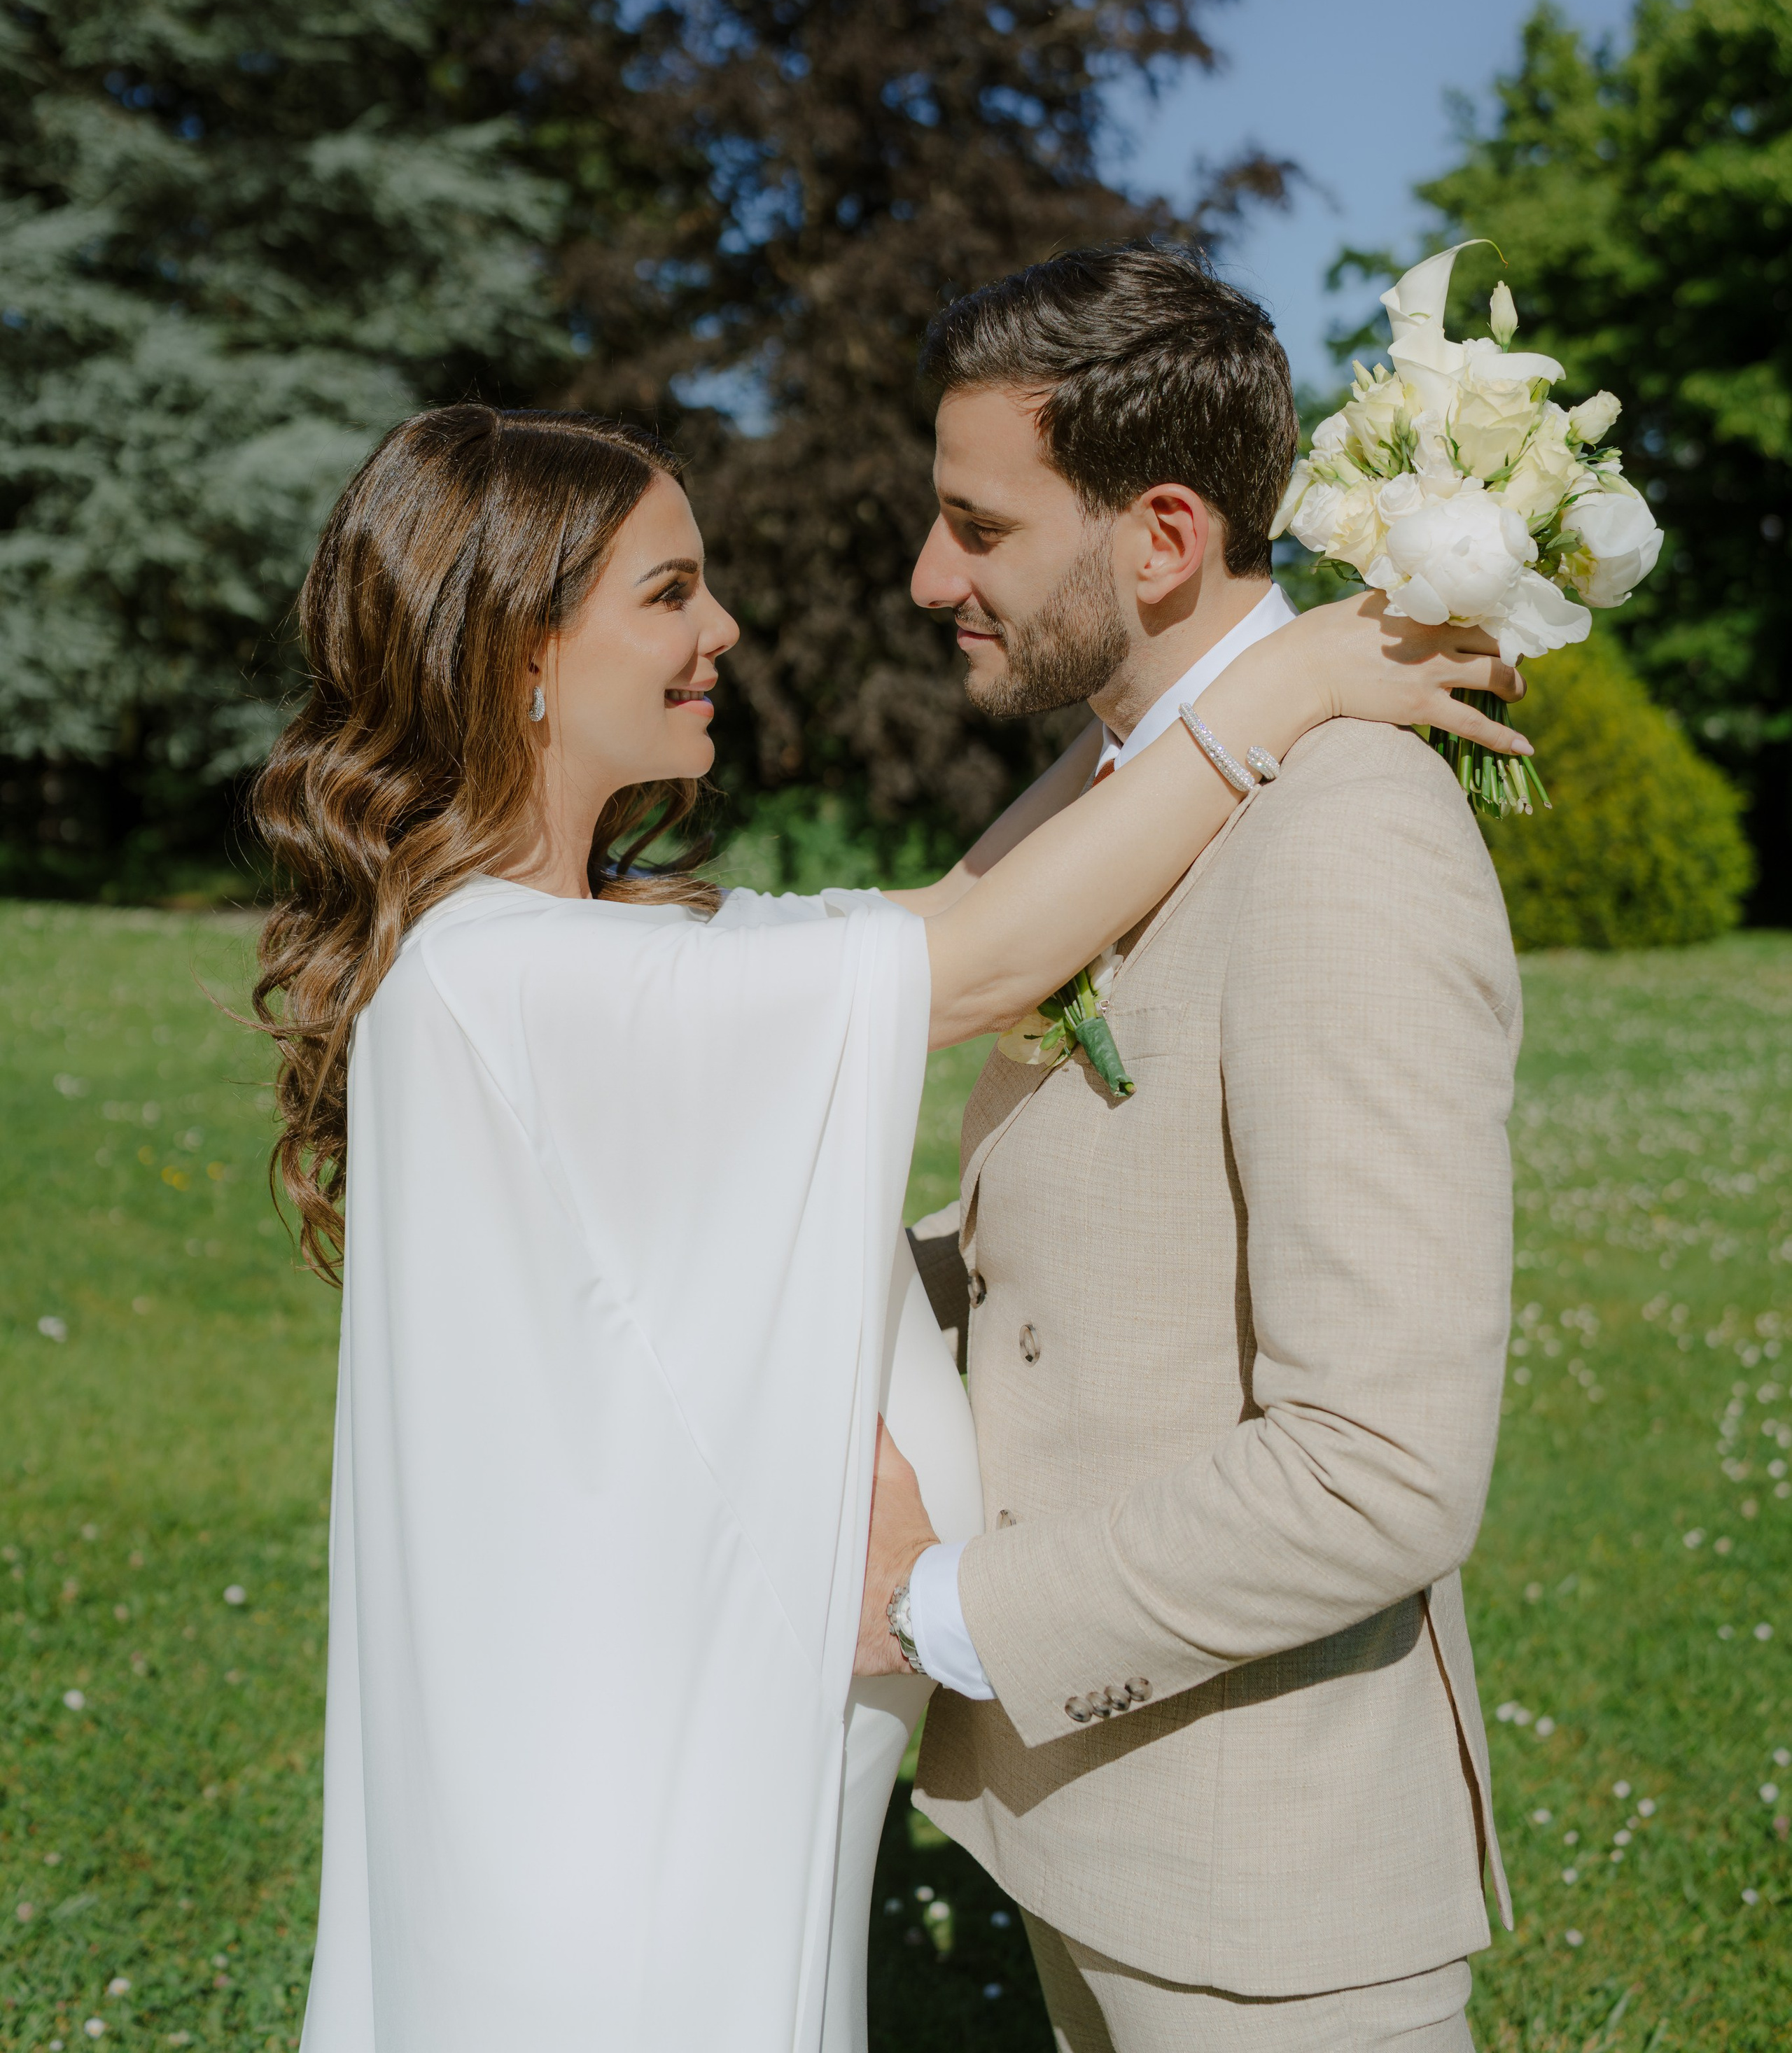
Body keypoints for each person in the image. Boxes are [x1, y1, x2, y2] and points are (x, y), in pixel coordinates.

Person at [253, 402, 1522, 2053]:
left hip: (707, 1776)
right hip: (631, 1827)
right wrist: (1286, 682)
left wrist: (1212, 654)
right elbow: (987, 965)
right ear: (522, 661)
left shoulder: (586, 944)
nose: (721, 630)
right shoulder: (523, 982)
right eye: (669, 592)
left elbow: (962, 903)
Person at [854, 243, 1520, 2053]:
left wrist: (935, 1609)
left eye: (977, 529)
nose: (931, 579)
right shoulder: (1114, 791)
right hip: (1100, 1840)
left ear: (1157, 539)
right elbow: (1073, 1222)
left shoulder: (1345, 838)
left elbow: (1382, 1465)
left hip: (1273, 1906)